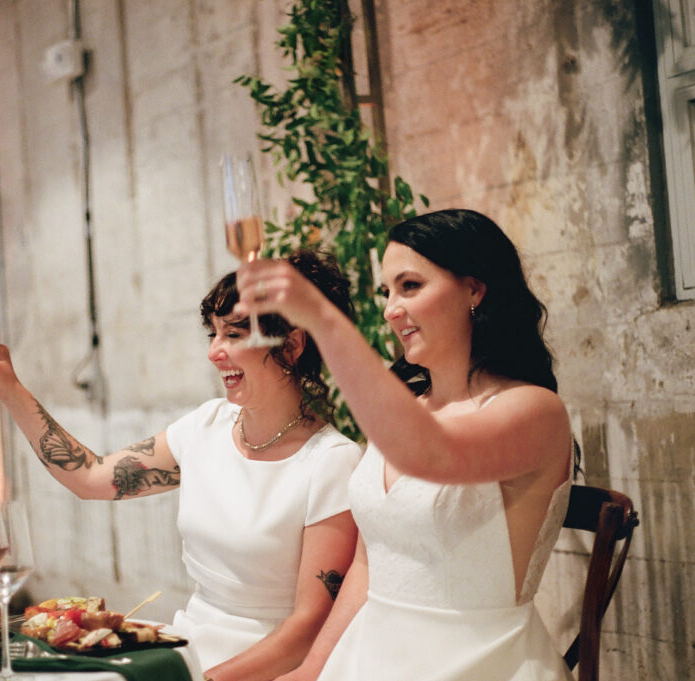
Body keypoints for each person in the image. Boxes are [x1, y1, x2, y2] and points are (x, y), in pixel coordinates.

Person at [0, 251, 363, 681]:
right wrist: (9, 389)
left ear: (291, 345)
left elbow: (308, 628)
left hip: (266, 668)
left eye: (232, 335)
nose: (214, 353)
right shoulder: (205, 426)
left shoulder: (330, 461)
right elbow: (90, 476)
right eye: (212, 334)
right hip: (183, 650)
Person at [235, 210, 574, 681]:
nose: (391, 309)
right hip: (368, 655)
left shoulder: (535, 411)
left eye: (410, 286)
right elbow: (370, 563)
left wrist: (321, 318)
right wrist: (312, 669)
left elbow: (432, 454)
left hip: (479, 662)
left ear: (474, 289)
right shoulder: (411, 407)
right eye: (386, 292)